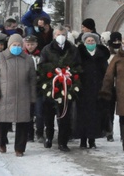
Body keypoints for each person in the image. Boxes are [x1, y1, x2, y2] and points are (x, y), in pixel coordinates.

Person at [0, 34, 36, 157]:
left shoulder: (28, 59)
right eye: (14, 45)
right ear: (9, 46)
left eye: (19, 45)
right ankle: (2, 142)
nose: (17, 47)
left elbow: (32, 80)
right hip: (3, 96)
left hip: (23, 96)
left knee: (23, 123)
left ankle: (20, 148)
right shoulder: (0, 58)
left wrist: (33, 97)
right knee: (1, 122)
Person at [38, 24, 80, 152]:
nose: (60, 37)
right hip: (51, 85)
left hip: (67, 86)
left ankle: (63, 141)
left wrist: (70, 75)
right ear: (53, 36)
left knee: (65, 115)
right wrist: (51, 75)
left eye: (63, 35)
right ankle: (49, 136)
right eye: (58, 34)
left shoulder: (72, 49)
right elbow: (41, 66)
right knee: (48, 114)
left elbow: (77, 65)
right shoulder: (47, 49)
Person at [75, 32, 110, 149]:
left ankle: (92, 139)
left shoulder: (101, 56)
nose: (90, 43)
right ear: (84, 43)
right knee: (83, 116)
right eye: (88, 41)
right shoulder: (80, 55)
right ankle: (83, 140)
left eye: (92, 41)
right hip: (83, 91)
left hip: (97, 90)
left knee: (95, 116)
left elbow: (106, 72)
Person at [23, 35, 44, 142]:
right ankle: (29, 133)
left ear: (36, 44)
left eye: (32, 44)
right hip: (26, 89)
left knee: (39, 112)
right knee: (28, 113)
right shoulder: (22, 56)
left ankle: (39, 132)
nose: (30, 46)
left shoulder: (41, 55)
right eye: (28, 44)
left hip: (39, 88)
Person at [102, 31, 121, 142]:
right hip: (110, 85)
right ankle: (109, 132)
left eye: (118, 40)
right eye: (114, 40)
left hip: (121, 85)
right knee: (109, 110)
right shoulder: (107, 54)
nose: (116, 42)